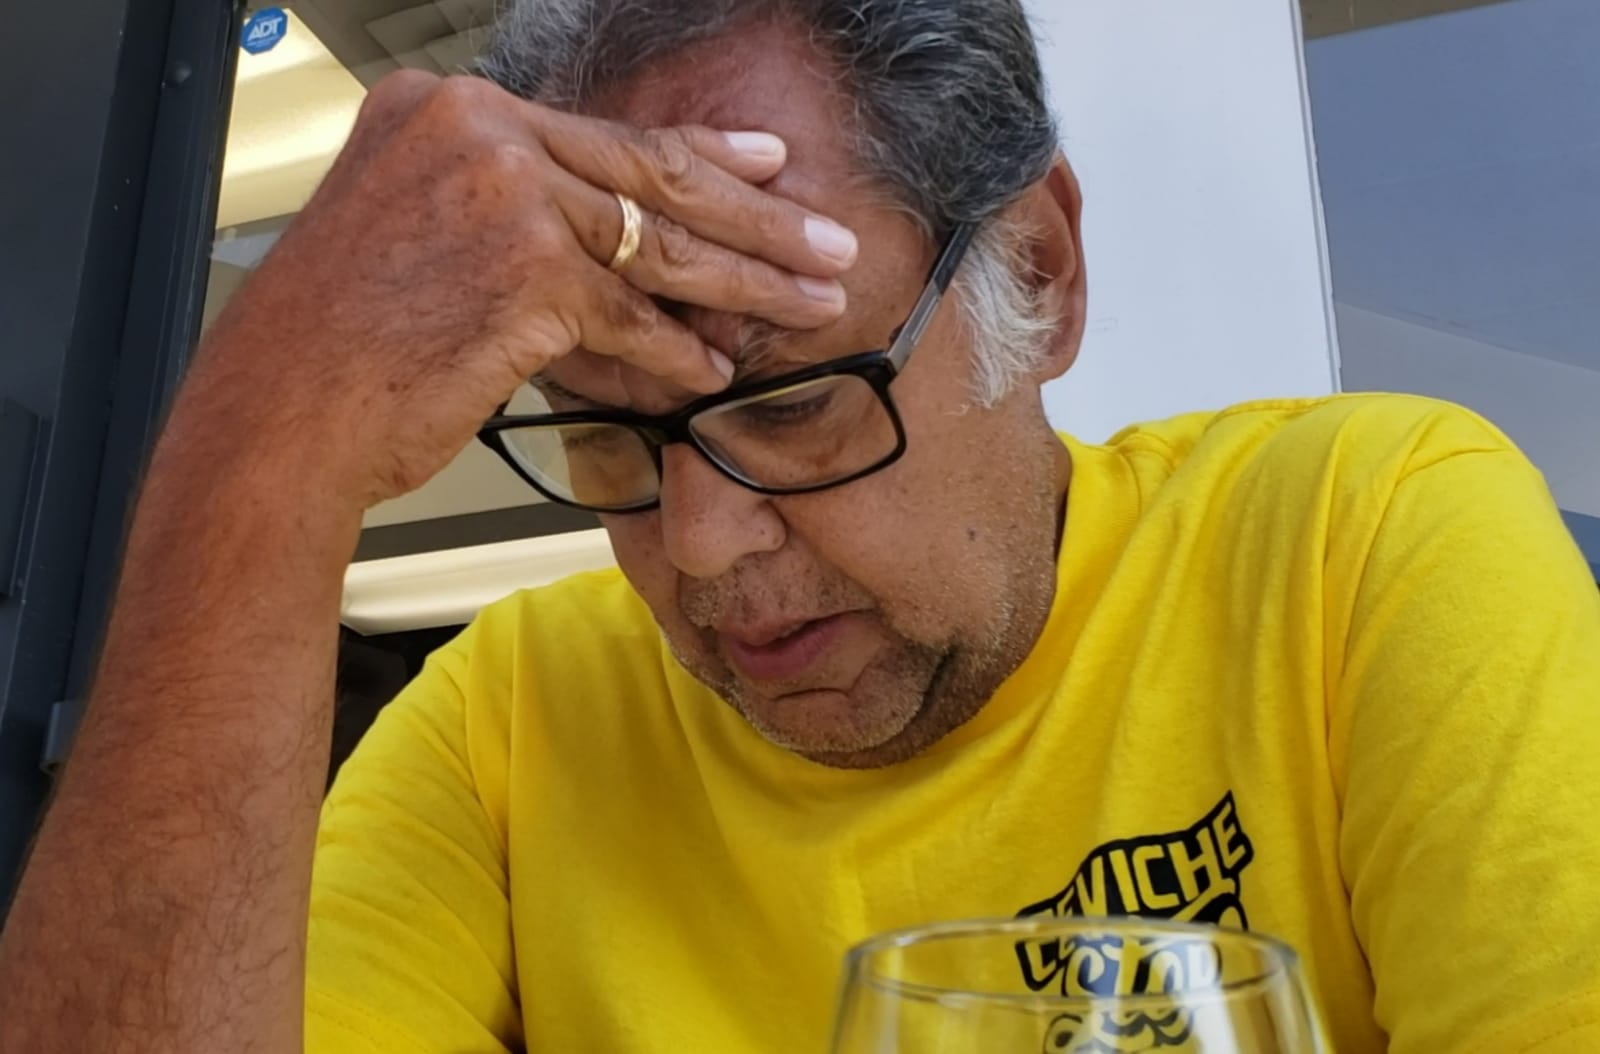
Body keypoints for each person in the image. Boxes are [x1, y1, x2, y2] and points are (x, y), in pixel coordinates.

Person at [2, 1, 1598, 1051]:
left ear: (1037, 277)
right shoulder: (507, 721)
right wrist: (258, 452)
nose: (702, 547)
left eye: (791, 403)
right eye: (610, 434)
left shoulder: (1354, 545)